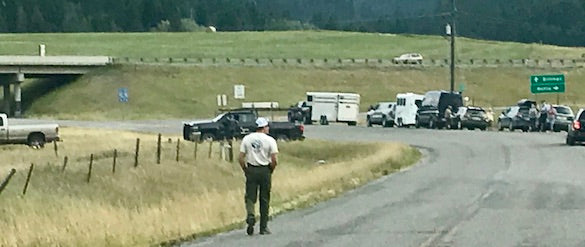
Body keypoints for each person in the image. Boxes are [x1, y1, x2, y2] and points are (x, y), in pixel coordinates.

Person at [239, 117, 279, 236]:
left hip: (252, 169)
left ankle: (251, 214)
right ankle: (263, 227)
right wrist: (271, 169)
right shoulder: (270, 140)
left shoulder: (247, 139)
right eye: (267, 127)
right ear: (264, 127)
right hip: (264, 170)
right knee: (264, 199)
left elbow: (240, 157)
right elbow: (274, 159)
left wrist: (245, 169)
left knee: (250, 196)